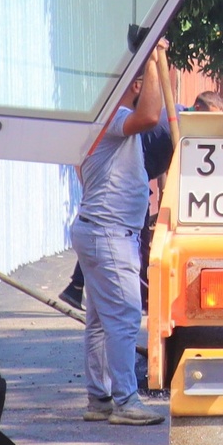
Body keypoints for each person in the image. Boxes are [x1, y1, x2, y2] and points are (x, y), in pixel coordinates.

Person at [68, 43, 171, 425]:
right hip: (110, 233)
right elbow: (149, 116)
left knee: (99, 320)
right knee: (125, 316)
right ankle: (126, 401)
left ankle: (99, 398)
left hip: (98, 229)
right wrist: (150, 60)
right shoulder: (110, 114)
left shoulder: (96, 118)